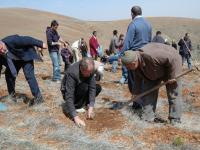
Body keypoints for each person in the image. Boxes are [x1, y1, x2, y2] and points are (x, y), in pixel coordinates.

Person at [121, 43, 182, 124]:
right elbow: (138, 78)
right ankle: (148, 117)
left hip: (170, 67)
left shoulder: (152, 55)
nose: (128, 69)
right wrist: (135, 93)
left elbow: (173, 58)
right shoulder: (135, 63)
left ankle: (175, 119)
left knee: (174, 93)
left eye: (128, 67)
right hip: (153, 72)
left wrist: (173, 75)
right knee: (149, 94)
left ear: (134, 62)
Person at [0, 35, 47, 106]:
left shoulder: (11, 40)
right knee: (9, 75)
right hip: (15, 60)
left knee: (29, 75)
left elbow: (28, 39)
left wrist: (40, 44)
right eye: (0, 51)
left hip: (26, 56)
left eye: (1, 48)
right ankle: (12, 96)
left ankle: (38, 98)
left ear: (2, 43)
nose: (2, 51)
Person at [61, 57, 102, 127]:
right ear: (81, 69)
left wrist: (91, 106)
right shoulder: (72, 73)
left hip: (80, 88)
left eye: (90, 73)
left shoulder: (90, 69)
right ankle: (76, 106)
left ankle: (84, 104)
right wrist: (76, 118)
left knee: (97, 87)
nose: (90, 75)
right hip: (69, 93)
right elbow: (69, 95)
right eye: (88, 73)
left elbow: (92, 87)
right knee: (85, 86)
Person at [119, 6, 152, 85]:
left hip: (134, 56)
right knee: (144, 80)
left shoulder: (133, 24)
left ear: (132, 14)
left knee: (134, 82)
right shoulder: (148, 24)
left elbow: (128, 42)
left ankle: (136, 96)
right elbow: (150, 40)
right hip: (146, 55)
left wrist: (121, 55)